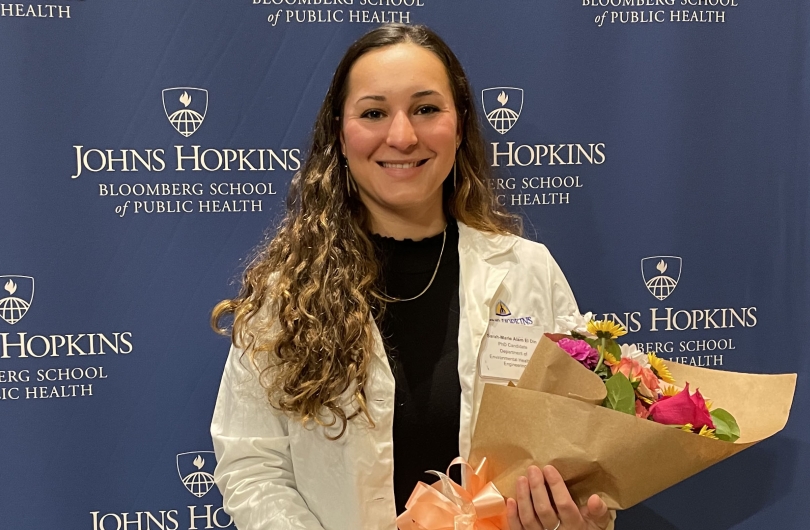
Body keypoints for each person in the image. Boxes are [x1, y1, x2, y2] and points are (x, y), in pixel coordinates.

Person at [210, 24, 613, 530]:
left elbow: (584, 445)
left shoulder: (529, 272)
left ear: (460, 124)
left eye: (426, 109)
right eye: (374, 113)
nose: (402, 136)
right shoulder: (286, 293)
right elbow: (252, 465)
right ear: (340, 131)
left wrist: (572, 517)